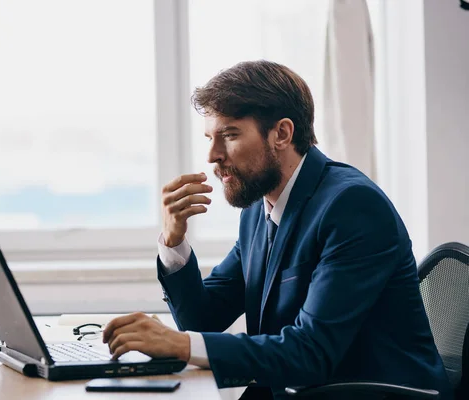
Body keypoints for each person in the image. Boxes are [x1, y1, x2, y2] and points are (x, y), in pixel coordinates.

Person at [102, 60, 452, 399]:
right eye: (210, 137)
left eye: (229, 135)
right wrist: (174, 241)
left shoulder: (352, 207)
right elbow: (202, 319)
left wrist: (177, 344)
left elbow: (311, 352)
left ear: (282, 134)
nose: (212, 155)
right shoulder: (259, 208)